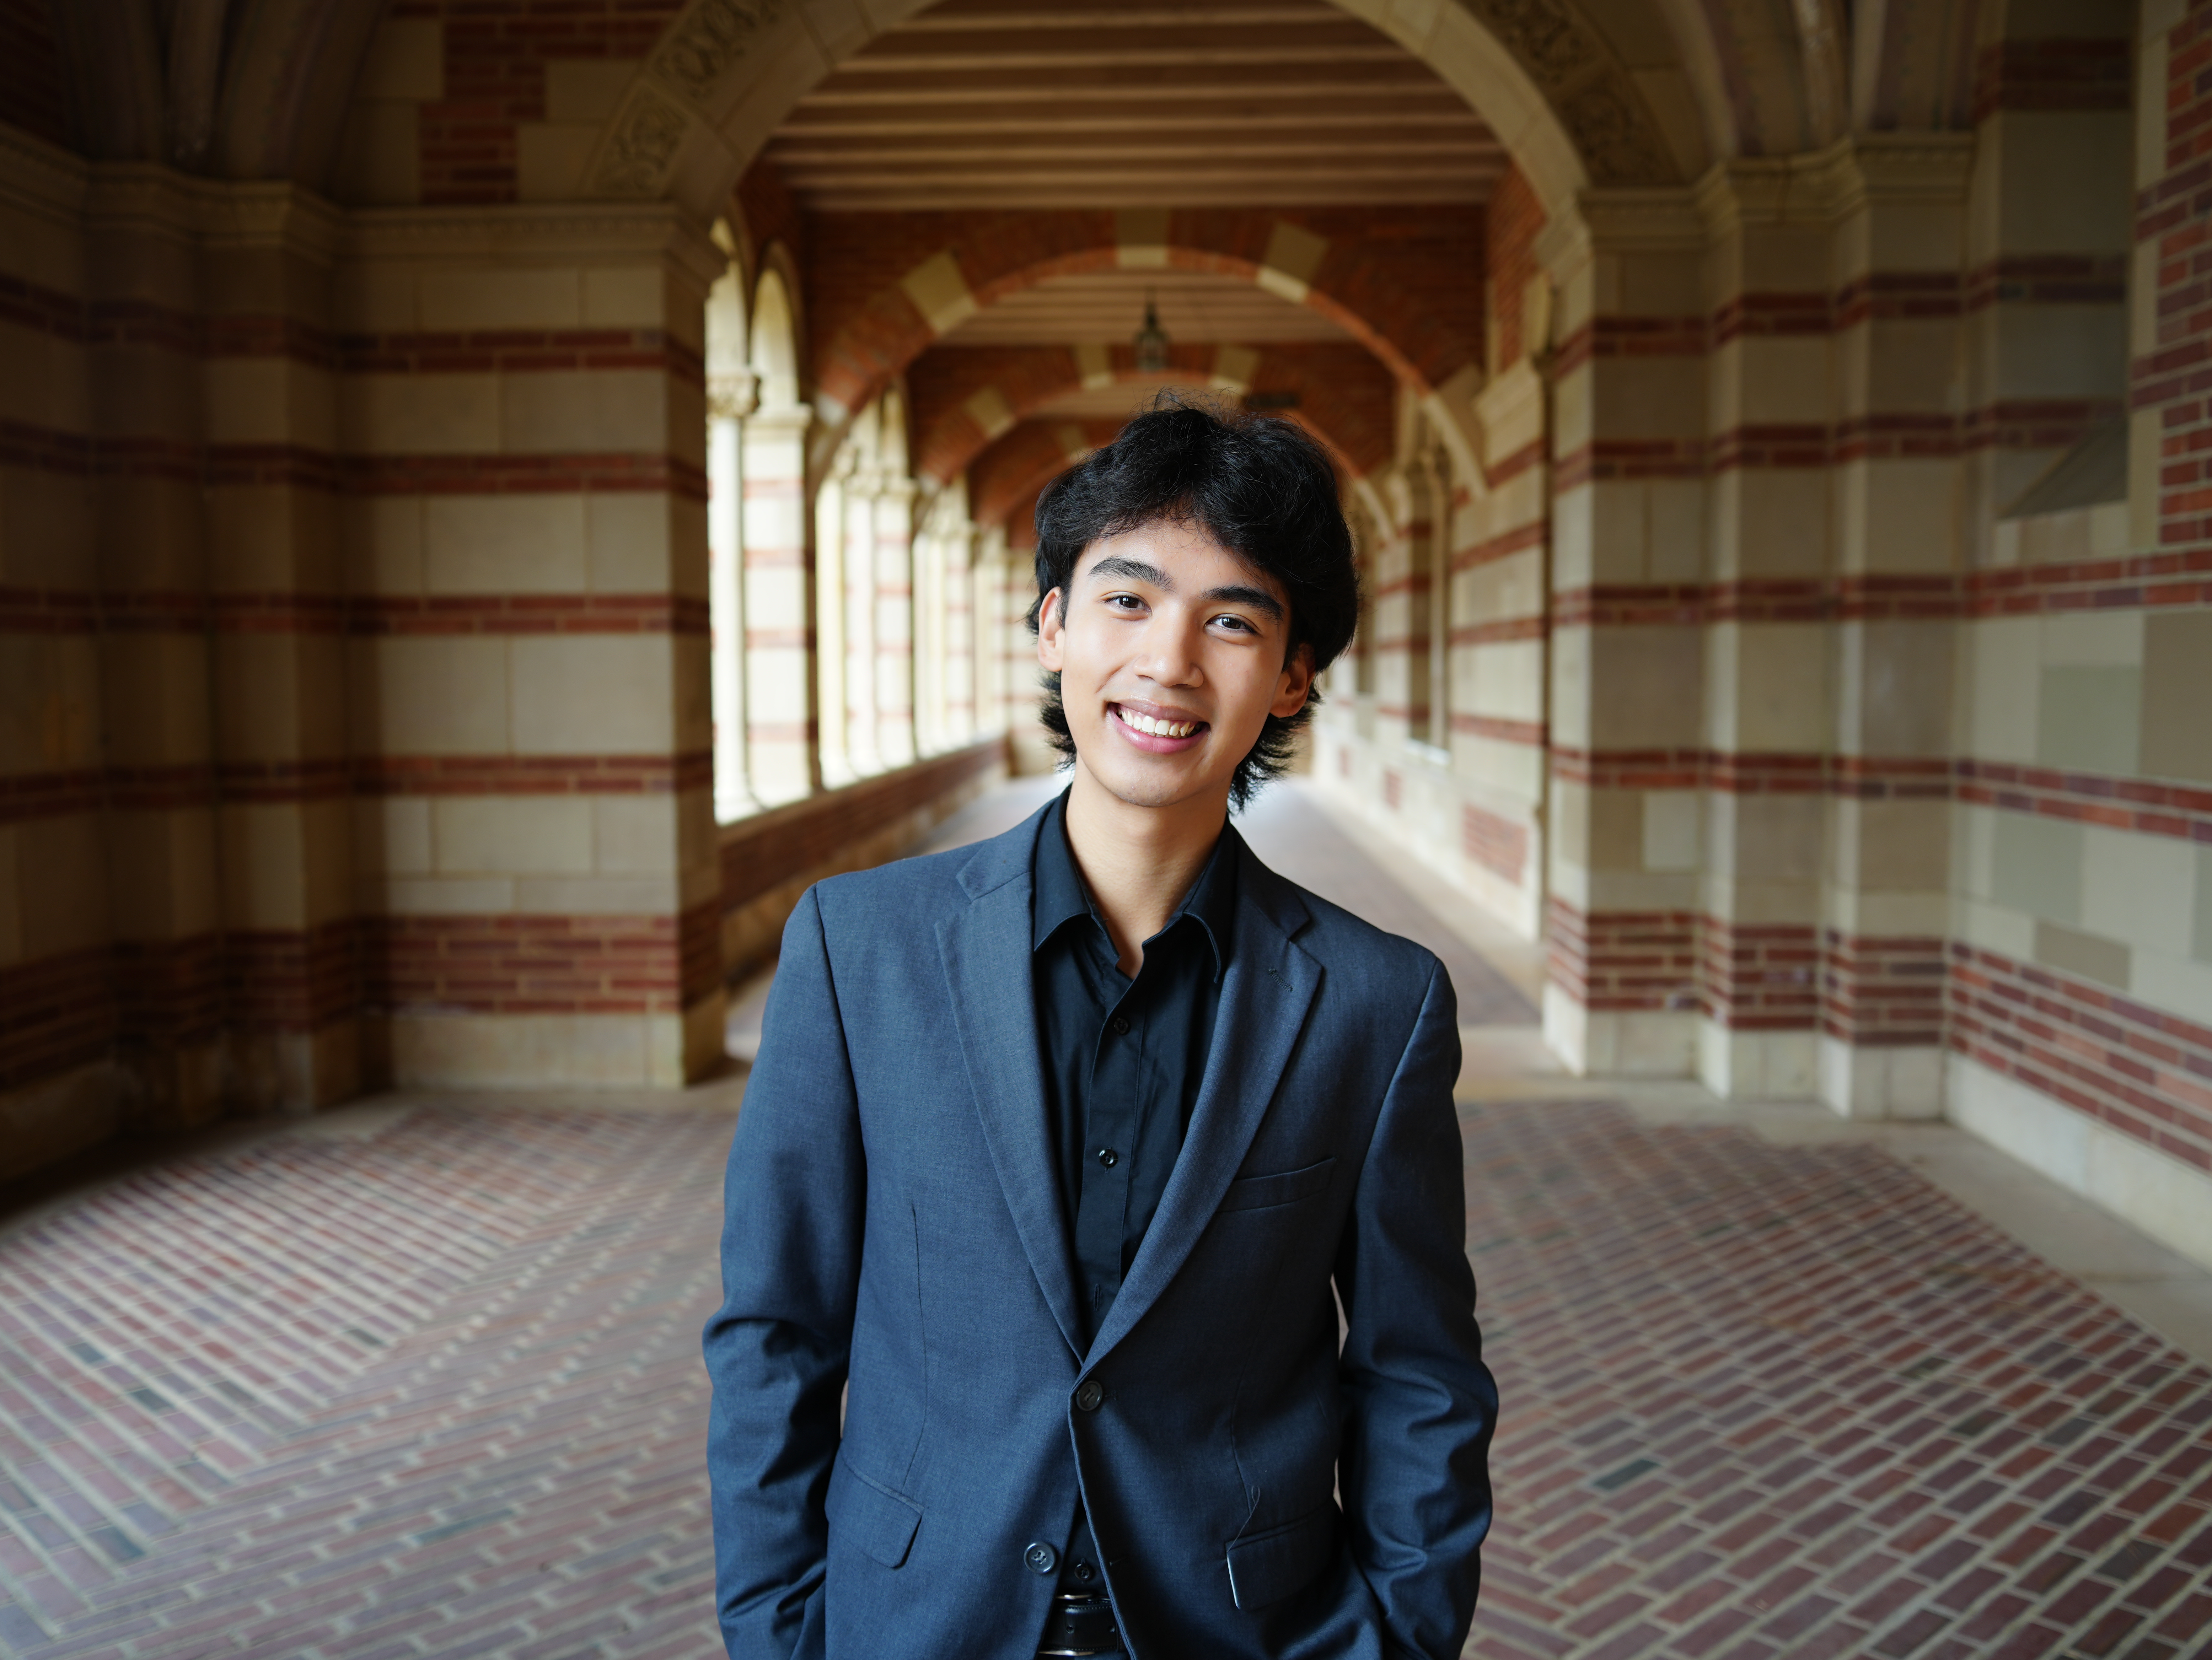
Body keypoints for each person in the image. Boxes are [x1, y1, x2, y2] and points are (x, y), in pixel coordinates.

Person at [703, 397, 1497, 1660]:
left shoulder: (1376, 1003)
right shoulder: (862, 951)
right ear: (1052, 627)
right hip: (912, 1620)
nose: (1170, 664)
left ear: (1293, 676)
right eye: (1127, 600)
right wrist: (778, 1630)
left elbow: (1418, 1376)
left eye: (1231, 620)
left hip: (1249, 1629)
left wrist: (1398, 1639)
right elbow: (777, 1333)